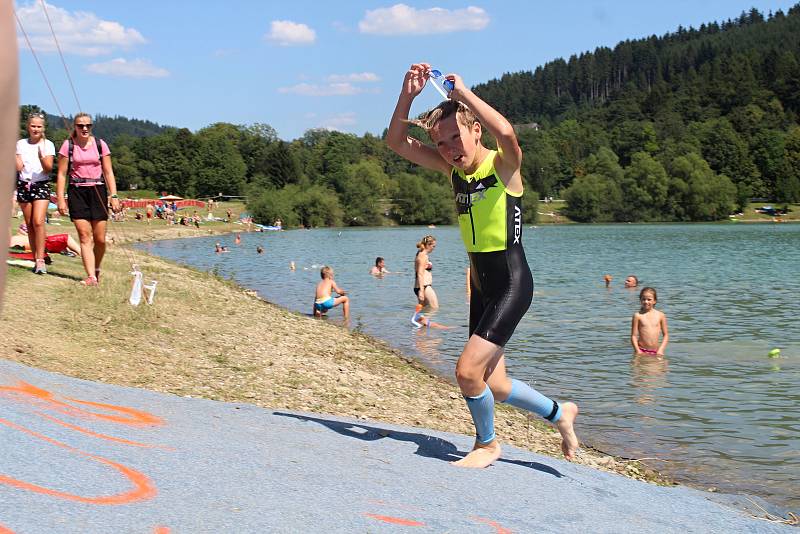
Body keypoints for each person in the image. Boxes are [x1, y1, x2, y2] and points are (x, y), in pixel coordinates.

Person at [387, 63, 579, 468]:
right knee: (494, 381)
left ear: (476, 129)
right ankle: (561, 414)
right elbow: (396, 142)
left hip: (511, 282)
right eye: (441, 143)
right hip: (481, 283)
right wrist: (408, 96)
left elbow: (507, 133)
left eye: (457, 136)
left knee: (466, 372)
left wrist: (464, 95)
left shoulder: (503, 166)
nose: (451, 148)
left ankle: (487, 444)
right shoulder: (454, 172)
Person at [56, 113, 120, 286]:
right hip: (77, 192)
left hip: (98, 190)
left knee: (99, 239)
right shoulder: (67, 146)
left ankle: (96, 268)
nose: (84, 128)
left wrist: (114, 196)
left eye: (88, 125)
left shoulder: (100, 145)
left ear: (91, 126)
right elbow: (61, 174)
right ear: (74, 127)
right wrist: (60, 199)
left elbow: (108, 172)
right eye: (80, 125)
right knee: (85, 236)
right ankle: (91, 276)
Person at [16, 112, 55, 274]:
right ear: (28, 126)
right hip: (24, 185)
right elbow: (19, 168)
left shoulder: (48, 145)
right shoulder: (20, 144)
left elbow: (48, 169)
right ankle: (36, 257)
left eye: (39, 126)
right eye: (33, 126)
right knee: (30, 224)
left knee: (38, 221)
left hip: (41, 184)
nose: (36, 129)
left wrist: (41, 158)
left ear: (43, 128)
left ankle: (40, 260)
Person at [631, 287, 669, 356]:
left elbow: (666, 335)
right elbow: (633, 336)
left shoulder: (661, 315)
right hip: (641, 351)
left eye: (649, 299)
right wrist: (638, 351)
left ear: (654, 301)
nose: (646, 302)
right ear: (640, 300)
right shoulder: (638, 316)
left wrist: (661, 350)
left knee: (660, 366)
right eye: (643, 299)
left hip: (657, 351)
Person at [12, 223, 80, 257]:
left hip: (39, 243)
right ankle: (83, 254)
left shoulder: (14, 238)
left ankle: (66, 250)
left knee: (65, 239)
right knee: (66, 237)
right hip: (42, 244)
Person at [413, 235, 438, 309]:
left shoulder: (420, 253)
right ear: (428, 245)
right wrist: (421, 290)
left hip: (421, 286)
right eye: (433, 246)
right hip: (424, 286)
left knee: (425, 310)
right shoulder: (423, 256)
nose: (434, 249)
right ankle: (422, 321)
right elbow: (420, 273)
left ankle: (419, 320)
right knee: (434, 308)